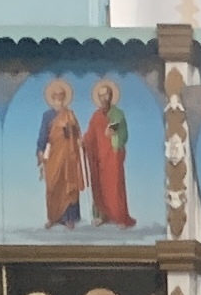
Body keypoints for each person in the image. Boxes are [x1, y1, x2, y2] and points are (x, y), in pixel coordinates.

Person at [38, 76, 87, 226]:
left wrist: (78, 140)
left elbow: (77, 133)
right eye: (56, 97)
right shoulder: (47, 116)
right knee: (52, 185)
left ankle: (69, 218)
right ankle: (53, 217)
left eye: (61, 97)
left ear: (64, 99)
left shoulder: (70, 114)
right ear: (52, 99)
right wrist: (40, 150)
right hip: (54, 156)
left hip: (69, 156)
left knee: (68, 186)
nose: (58, 100)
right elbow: (43, 135)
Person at [89, 77, 136, 227]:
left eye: (106, 95)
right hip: (100, 157)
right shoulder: (96, 116)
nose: (104, 98)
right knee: (100, 187)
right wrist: (82, 142)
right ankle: (103, 215)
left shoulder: (118, 114)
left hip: (113, 156)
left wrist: (114, 134)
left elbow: (124, 134)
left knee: (115, 187)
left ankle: (120, 217)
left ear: (111, 96)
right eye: (101, 95)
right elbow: (90, 135)